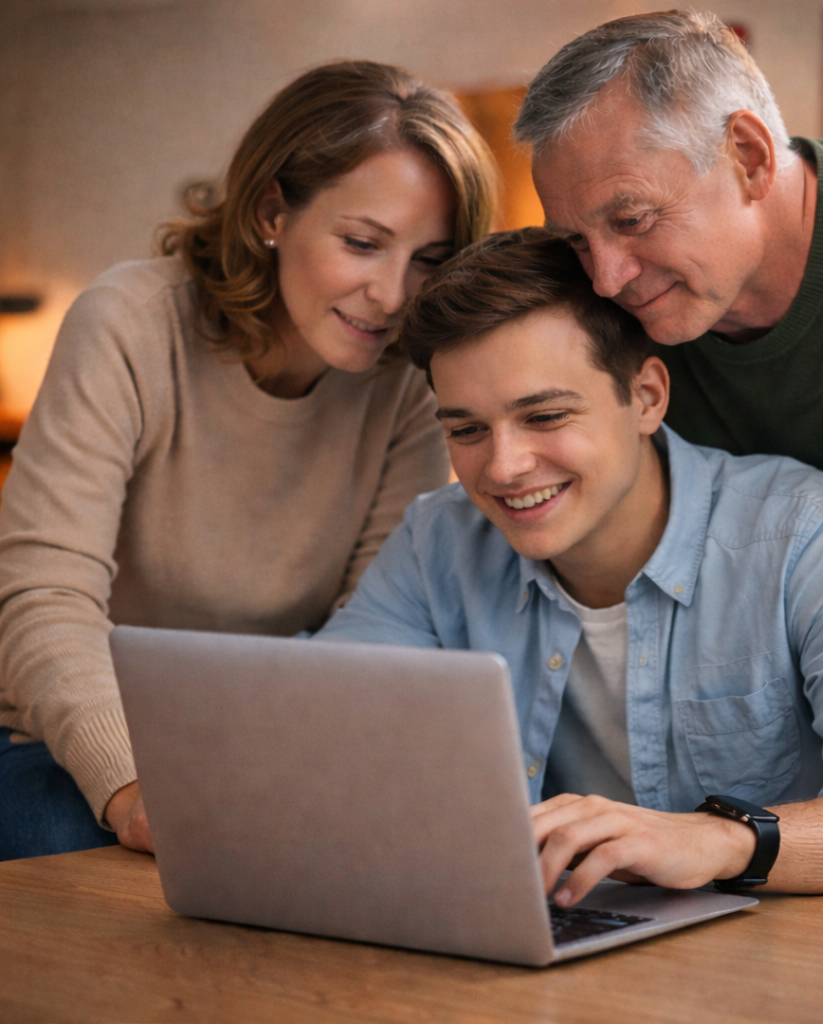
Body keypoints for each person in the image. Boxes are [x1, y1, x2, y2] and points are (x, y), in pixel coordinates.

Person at [513, 9, 823, 925]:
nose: (607, 278)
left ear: (749, 155)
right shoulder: (641, 305)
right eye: (578, 241)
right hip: (819, 752)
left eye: (631, 220)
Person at [315, 229, 823, 905]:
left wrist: (718, 840)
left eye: (544, 415)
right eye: (466, 429)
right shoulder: (439, 539)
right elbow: (319, 731)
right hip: (551, 951)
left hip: (782, 966)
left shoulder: (810, 533)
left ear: (646, 397)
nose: (502, 467)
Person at [0, 61, 497, 860]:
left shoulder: (407, 381)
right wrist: (133, 787)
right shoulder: (129, 323)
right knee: (77, 840)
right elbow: (44, 596)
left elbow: (377, 621)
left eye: (428, 258)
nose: (393, 295)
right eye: (363, 243)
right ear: (272, 212)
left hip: (255, 747)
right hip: (58, 744)